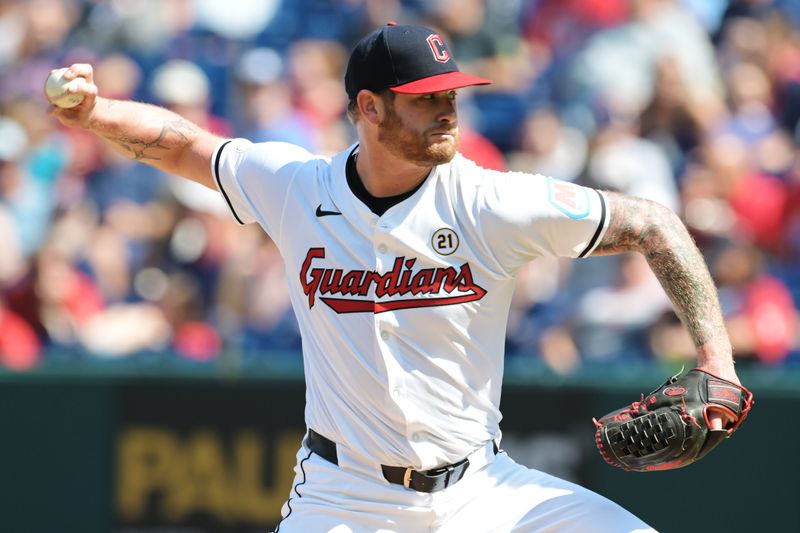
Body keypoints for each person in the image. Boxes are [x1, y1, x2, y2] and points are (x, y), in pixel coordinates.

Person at [49, 23, 744, 533]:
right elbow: (182, 143)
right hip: (343, 499)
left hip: (484, 491)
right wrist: (93, 113)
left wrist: (716, 357)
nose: (447, 109)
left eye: (451, 92)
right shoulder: (298, 187)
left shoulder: (488, 201)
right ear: (369, 108)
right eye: (424, 97)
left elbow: (654, 224)